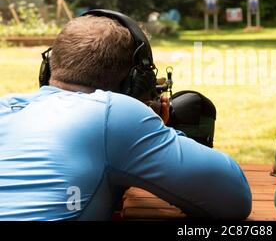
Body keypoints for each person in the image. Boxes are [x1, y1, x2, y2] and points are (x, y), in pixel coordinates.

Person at [0, 11, 252, 221]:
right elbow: (234, 198)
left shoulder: (6, 105)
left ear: (48, 67)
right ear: (135, 83)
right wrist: (158, 127)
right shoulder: (114, 112)